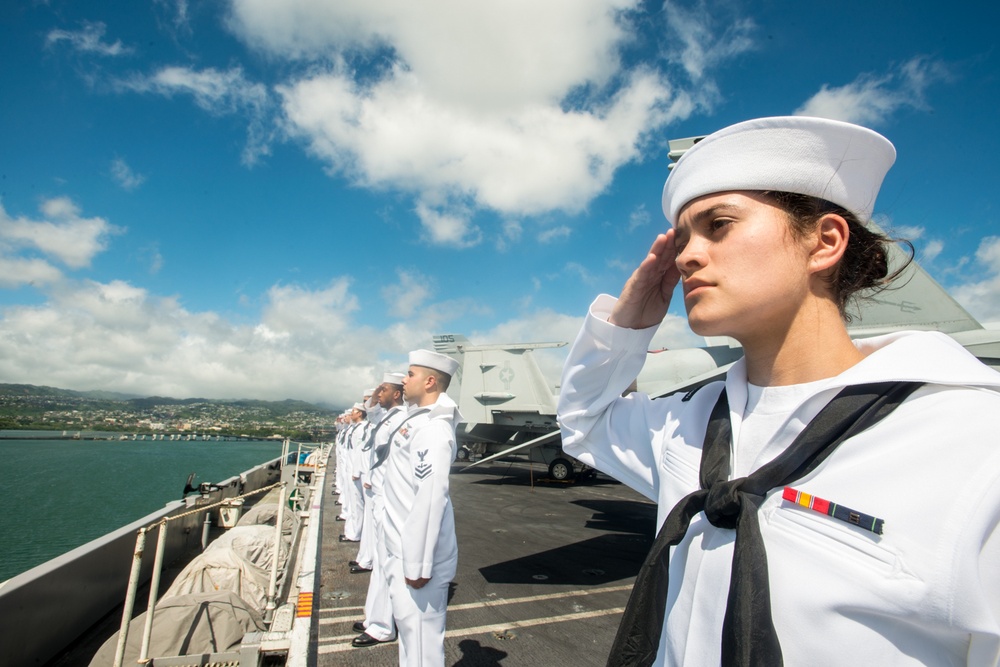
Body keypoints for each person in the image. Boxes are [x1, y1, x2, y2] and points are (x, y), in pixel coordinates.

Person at [557, 116, 1000, 666]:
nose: (686, 256)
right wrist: (625, 328)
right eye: (683, 238)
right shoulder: (690, 423)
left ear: (825, 241)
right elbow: (584, 423)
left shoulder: (977, 447)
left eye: (718, 225)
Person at [382, 349, 463, 667]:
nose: (403, 379)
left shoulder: (432, 430)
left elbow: (431, 498)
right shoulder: (417, 420)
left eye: (410, 374)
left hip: (417, 560)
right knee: (410, 640)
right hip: (402, 550)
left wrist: (417, 565)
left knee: (420, 649)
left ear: (430, 381)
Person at [353, 371, 409, 648]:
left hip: (388, 498)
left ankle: (383, 626)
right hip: (377, 496)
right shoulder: (386, 416)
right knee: (380, 563)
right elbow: (369, 410)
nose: (378, 392)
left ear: (397, 393)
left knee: (387, 563)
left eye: (384, 389)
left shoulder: (401, 420)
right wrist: (377, 391)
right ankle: (373, 618)